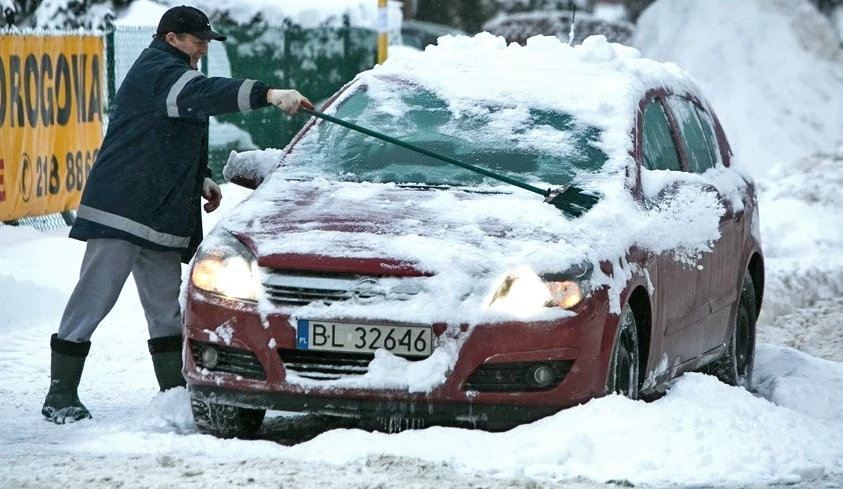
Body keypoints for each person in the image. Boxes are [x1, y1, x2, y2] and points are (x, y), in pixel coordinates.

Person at [41, 5, 314, 424]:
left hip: (159, 213)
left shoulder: (172, 71)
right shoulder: (160, 69)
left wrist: (199, 176)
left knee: (165, 309)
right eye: (198, 40)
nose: (204, 48)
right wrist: (269, 94)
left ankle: (173, 393)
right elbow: (204, 95)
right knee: (93, 299)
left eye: (207, 41)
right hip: (124, 210)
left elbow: (172, 132)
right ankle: (60, 393)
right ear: (172, 39)